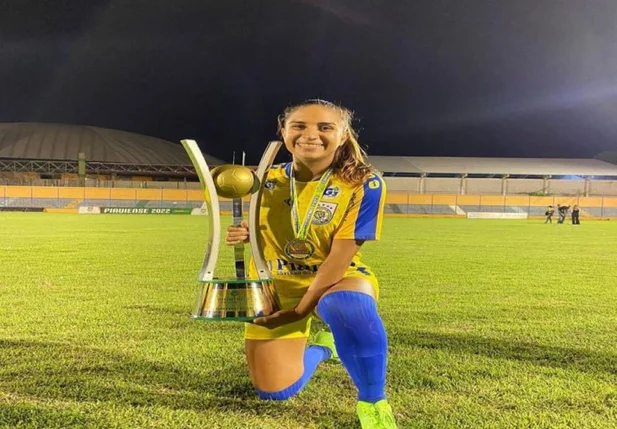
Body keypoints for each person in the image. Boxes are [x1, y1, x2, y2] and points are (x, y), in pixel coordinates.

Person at [225, 99, 397, 429]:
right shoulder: (262, 180)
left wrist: (302, 310)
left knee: (348, 307)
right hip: (273, 287)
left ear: (344, 135)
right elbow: (270, 225)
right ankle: (321, 348)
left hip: (334, 278)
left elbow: (338, 257)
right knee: (275, 391)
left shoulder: (364, 183)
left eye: (325, 127)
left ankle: (373, 403)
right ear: (284, 132)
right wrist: (245, 232)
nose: (310, 135)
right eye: (299, 126)